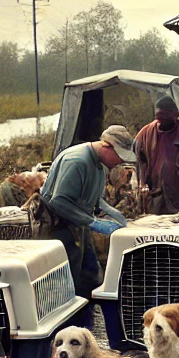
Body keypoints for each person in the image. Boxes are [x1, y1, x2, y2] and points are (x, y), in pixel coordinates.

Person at [42, 125, 135, 296]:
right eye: (119, 156)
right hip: (57, 228)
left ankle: (91, 316)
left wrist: (111, 211)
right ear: (107, 146)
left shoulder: (99, 164)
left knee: (93, 275)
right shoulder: (78, 161)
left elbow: (95, 198)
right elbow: (59, 201)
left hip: (78, 225)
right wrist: (93, 222)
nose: (120, 162)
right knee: (69, 283)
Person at [134, 96, 179, 215]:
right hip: (156, 195)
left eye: (165, 116)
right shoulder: (146, 134)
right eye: (158, 117)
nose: (161, 121)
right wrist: (142, 183)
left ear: (175, 114)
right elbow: (140, 160)